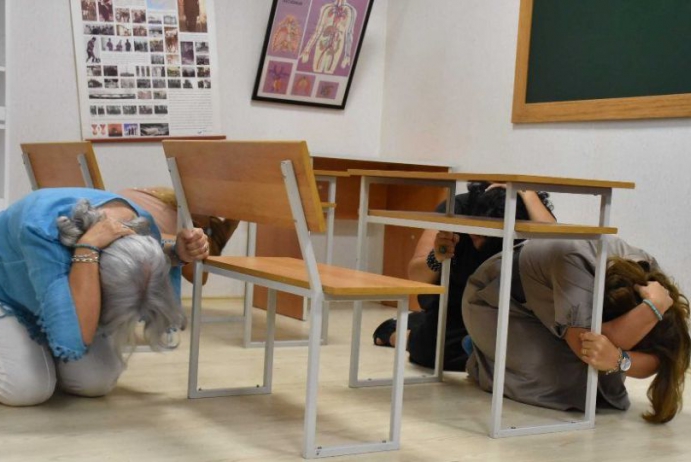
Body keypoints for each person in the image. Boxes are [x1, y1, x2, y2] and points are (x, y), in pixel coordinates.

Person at [0, 188, 209, 406]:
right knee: (26, 390)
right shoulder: (38, 228)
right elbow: (75, 334)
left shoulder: (139, 223)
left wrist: (176, 253)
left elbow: (141, 267)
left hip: (39, 287)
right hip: (5, 292)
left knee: (95, 382)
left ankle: (40, 346)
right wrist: (87, 248)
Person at [462, 237, 691, 423]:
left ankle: (506, 354)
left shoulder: (652, 281)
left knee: (600, 383)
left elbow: (660, 359)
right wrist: (652, 309)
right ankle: (483, 358)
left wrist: (618, 360)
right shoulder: (575, 262)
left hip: (548, 311)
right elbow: (588, 345)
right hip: (497, 303)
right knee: (563, 383)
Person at [372, 182, 555, 371]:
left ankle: (470, 349)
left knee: (533, 348)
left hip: (504, 307)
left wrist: (527, 193)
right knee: (434, 352)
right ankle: (401, 333)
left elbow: (556, 246)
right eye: (475, 233)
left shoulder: (525, 212)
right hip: (455, 304)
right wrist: (437, 256)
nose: (477, 241)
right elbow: (417, 276)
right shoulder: (456, 209)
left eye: (487, 238)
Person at [299, 0, 357, 74]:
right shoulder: (327, 8)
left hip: (337, 44)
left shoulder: (350, 11)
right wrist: (307, 50)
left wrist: (347, 55)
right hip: (323, 41)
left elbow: (349, 33)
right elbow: (318, 30)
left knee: (329, 71)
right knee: (316, 69)